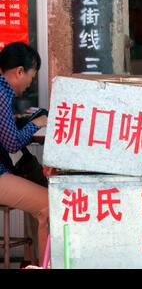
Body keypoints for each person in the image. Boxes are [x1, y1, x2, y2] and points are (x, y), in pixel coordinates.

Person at [0, 42, 49, 265]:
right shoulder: (2, 92)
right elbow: (12, 143)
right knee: (49, 206)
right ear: (20, 71)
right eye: (32, 75)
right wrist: (35, 123)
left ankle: (31, 261)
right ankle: (42, 264)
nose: (30, 83)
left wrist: (20, 122)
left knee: (35, 202)